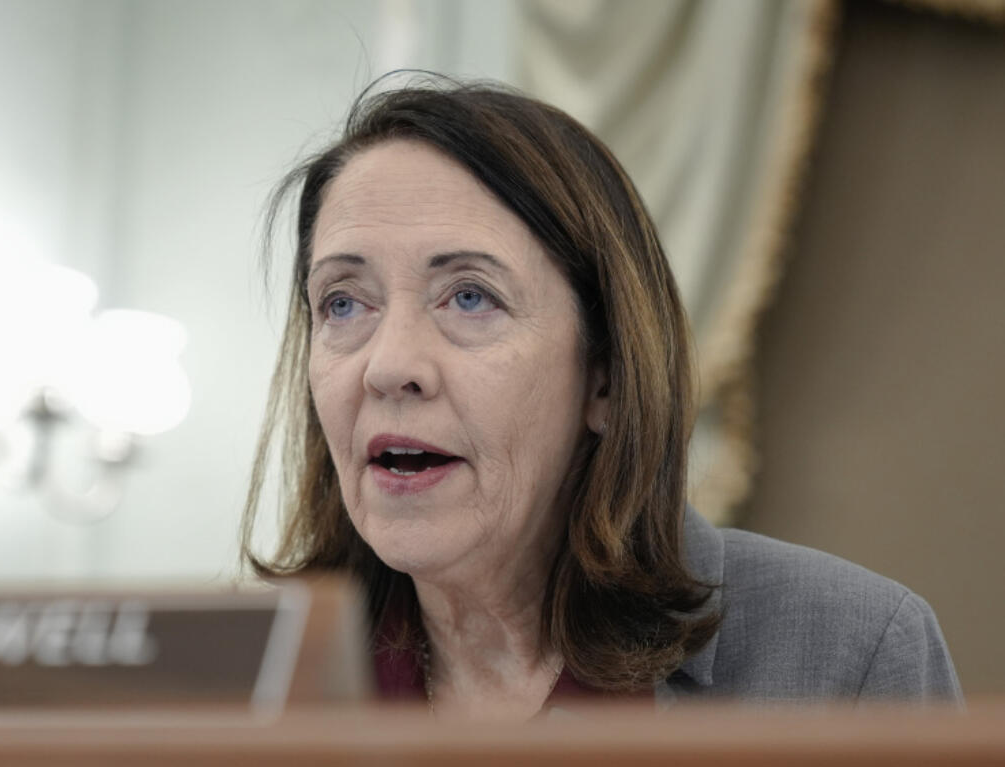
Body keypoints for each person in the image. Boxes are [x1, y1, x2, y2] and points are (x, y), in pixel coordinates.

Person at [240, 77, 961, 719]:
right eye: (342, 303)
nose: (389, 365)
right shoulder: (244, 682)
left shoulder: (851, 652)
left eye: (469, 296)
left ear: (606, 377)